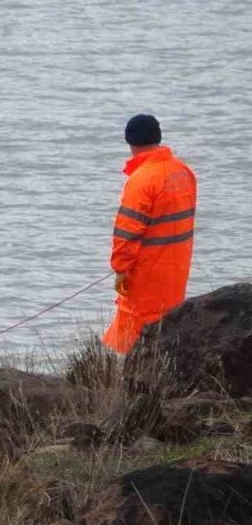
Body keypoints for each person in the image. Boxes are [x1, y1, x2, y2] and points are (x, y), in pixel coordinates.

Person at [103, 115, 197, 354]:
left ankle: (125, 381)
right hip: (177, 267)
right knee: (168, 323)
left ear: (130, 142)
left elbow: (126, 232)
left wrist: (120, 269)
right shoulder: (183, 172)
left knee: (134, 329)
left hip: (147, 272)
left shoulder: (141, 181)